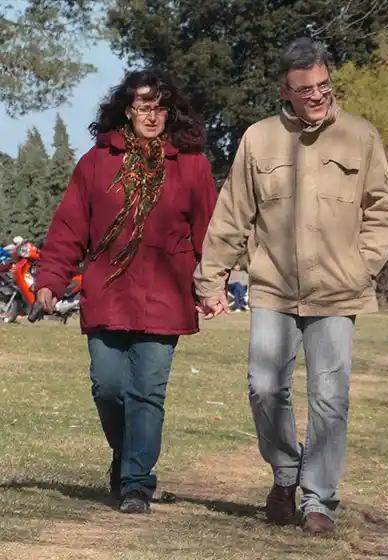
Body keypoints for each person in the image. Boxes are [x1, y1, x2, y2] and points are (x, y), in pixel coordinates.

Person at [193, 37, 388, 534]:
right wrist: (211, 280)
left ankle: (319, 499)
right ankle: (286, 472)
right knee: (264, 387)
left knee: (330, 398)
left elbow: (382, 211)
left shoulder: (361, 136)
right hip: (273, 289)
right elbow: (232, 215)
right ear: (285, 90)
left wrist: (362, 267)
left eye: (323, 85)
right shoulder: (258, 139)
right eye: (306, 89)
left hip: (338, 292)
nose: (318, 95)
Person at [33, 70, 218, 514]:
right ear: (126, 111)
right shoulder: (97, 162)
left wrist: (212, 284)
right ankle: (126, 453)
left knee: (147, 393)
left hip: (165, 297)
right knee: (108, 388)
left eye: (159, 108)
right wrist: (50, 280)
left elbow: (209, 233)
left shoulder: (191, 164)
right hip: (108, 295)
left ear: (171, 113)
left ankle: (136, 483)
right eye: (142, 108)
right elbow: (69, 228)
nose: (151, 117)